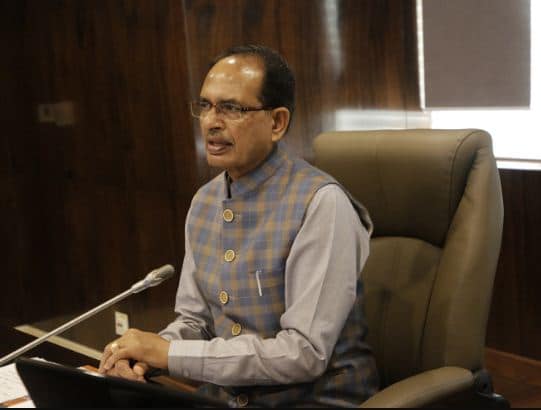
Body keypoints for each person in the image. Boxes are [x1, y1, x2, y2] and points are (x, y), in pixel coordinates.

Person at [99, 44, 379, 407]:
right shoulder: (204, 202)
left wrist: (170, 355)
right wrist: (144, 356)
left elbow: (304, 352)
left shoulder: (321, 203)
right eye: (205, 106)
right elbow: (197, 322)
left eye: (231, 108)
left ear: (277, 123)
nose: (211, 122)